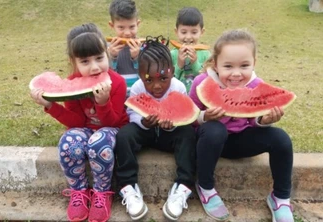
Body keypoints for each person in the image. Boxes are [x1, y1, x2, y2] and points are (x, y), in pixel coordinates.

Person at [189, 29, 294, 222]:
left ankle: (280, 198)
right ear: (216, 64)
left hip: (240, 142)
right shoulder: (201, 83)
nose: (236, 74)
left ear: (254, 63)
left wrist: (263, 121)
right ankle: (205, 186)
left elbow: (251, 120)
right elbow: (189, 117)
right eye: (228, 66)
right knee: (215, 129)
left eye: (244, 66)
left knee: (281, 139)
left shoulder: (256, 85)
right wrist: (205, 116)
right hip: (209, 144)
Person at [30, 23, 128, 222]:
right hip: (85, 129)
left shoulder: (117, 83)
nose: (94, 67)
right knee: (68, 143)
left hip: (112, 130)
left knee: (99, 144)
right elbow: (76, 122)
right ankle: (79, 191)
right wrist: (51, 106)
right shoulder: (70, 84)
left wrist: (103, 103)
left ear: (107, 54)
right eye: (85, 61)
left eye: (99, 58)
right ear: (74, 62)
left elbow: (113, 120)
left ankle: (102, 192)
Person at [114, 36, 196, 221]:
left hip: (170, 134)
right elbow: (133, 113)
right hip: (145, 131)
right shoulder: (136, 88)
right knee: (124, 135)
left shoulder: (179, 88)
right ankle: (128, 185)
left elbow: (183, 115)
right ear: (141, 75)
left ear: (173, 71)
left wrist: (172, 124)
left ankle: (183, 185)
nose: (156, 86)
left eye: (163, 78)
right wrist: (143, 122)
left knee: (188, 134)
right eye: (148, 80)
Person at [171, 7, 211, 92]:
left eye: (194, 32)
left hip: (198, 98)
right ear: (176, 31)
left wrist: (195, 63)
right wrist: (179, 65)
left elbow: (207, 80)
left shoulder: (206, 55)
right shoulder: (172, 54)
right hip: (178, 97)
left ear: (202, 32)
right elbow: (169, 81)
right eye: (184, 32)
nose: (188, 37)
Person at [108, 0, 142, 97]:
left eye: (132, 27)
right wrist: (112, 57)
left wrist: (137, 58)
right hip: (117, 97)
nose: (127, 33)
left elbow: (147, 78)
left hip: (139, 98)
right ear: (112, 25)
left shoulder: (144, 48)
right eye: (121, 28)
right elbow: (108, 78)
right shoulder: (107, 49)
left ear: (137, 24)